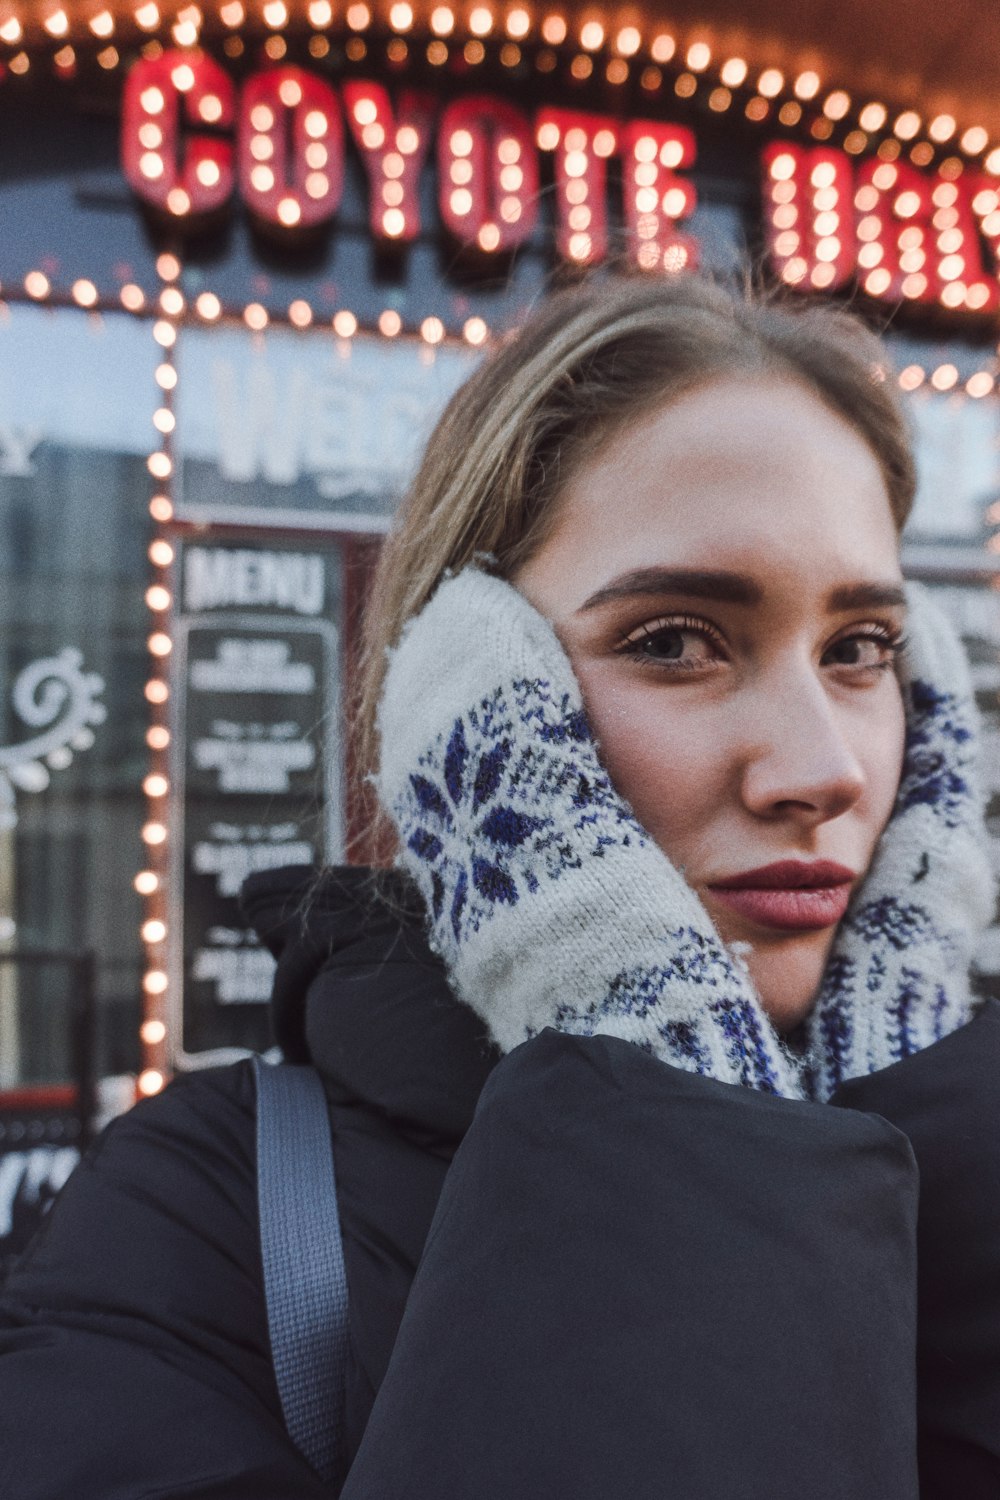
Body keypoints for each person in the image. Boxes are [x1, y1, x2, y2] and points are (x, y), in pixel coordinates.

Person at [1, 272, 998, 1500]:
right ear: (462, 696)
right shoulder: (188, 1220)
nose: (824, 772)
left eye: (860, 649)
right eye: (673, 641)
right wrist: (656, 1059)